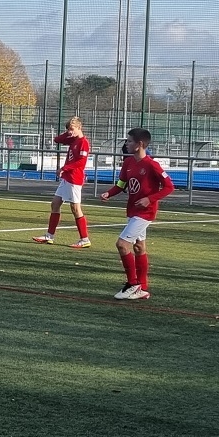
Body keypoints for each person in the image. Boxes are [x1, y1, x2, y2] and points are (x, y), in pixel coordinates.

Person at [99, 127, 175, 300]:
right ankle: (143, 287)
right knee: (139, 247)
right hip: (132, 210)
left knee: (122, 244)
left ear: (140, 144)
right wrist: (109, 193)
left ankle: (132, 284)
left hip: (145, 212)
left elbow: (169, 187)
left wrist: (149, 199)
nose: (126, 144)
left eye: (129, 141)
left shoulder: (152, 165)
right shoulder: (128, 163)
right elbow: (121, 184)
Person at [32, 116, 92, 248]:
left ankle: (84, 239)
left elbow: (81, 162)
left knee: (75, 209)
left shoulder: (83, 142)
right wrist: (68, 132)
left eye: (72, 129)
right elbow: (57, 140)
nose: (70, 132)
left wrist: (64, 168)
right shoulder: (73, 140)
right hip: (67, 178)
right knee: (55, 204)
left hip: (75, 179)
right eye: (68, 129)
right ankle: (49, 236)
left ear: (79, 128)